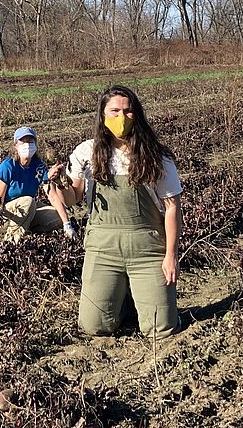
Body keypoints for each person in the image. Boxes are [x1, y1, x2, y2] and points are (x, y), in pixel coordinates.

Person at [68, 85, 183, 338]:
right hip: (103, 247)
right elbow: (73, 196)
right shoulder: (86, 153)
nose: (122, 117)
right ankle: (124, 298)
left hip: (147, 248)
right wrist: (55, 186)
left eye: (128, 111)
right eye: (115, 111)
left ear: (137, 114)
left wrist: (170, 256)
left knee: (161, 329)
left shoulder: (157, 156)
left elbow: (173, 209)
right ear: (103, 115)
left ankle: (141, 294)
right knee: (94, 326)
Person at [0, 126, 77, 242]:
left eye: (30, 141)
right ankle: (11, 240)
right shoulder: (8, 166)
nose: (27, 145)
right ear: (15, 146)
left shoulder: (38, 166)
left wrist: (67, 225)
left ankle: (25, 228)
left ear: (36, 144)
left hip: (25, 209)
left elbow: (53, 196)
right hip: (2, 215)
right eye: (23, 141)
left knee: (60, 215)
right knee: (29, 202)